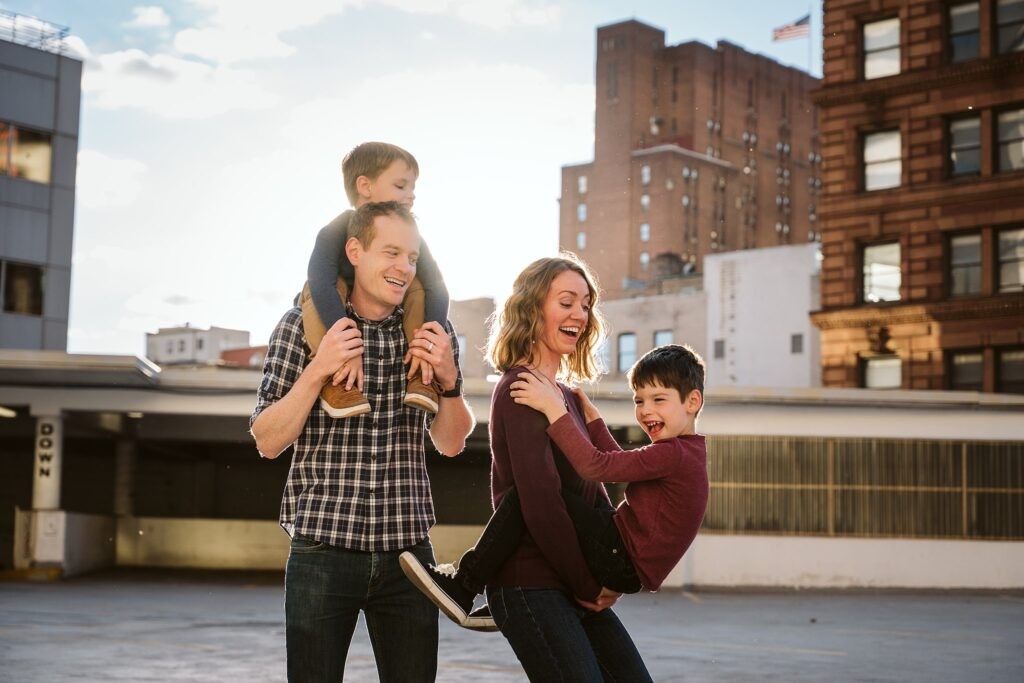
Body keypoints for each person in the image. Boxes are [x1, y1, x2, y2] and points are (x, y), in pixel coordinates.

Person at [250, 201, 475, 682]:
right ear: (354, 251)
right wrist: (319, 369)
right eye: (391, 252)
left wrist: (450, 380)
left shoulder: (432, 335)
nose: (404, 268)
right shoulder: (300, 325)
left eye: (412, 258)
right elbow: (267, 439)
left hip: (409, 556)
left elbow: (452, 443)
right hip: (322, 550)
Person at [412, 254, 652, 681]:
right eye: (566, 302)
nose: (580, 314)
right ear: (533, 308)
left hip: (572, 581)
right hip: (530, 582)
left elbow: (593, 487)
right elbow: (540, 501)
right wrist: (587, 585)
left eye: (585, 304)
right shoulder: (520, 388)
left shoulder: (567, 397)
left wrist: (609, 572)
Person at [400, 345, 709, 633]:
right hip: (624, 560)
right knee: (550, 498)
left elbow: (597, 467)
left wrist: (554, 411)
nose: (645, 411)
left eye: (658, 400)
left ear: (692, 402)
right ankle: (513, 598)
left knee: (531, 495)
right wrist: (594, 422)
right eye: (639, 401)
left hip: (619, 556)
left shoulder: (673, 453)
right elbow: (618, 464)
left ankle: (465, 585)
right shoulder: (687, 453)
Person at [301, 141, 449, 418]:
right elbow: (320, 281)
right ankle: (337, 377)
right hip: (335, 303)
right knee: (312, 289)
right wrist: (347, 347)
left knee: (419, 288)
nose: (411, 195)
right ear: (365, 186)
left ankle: (421, 372)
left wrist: (430, 341)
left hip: (392, 305)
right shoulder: (335, 230)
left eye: (413, 188)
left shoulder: (412, 237)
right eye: (401, 185)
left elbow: (438, 288)